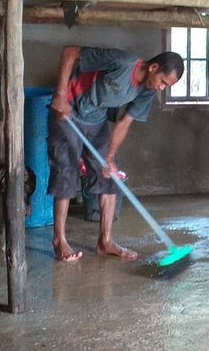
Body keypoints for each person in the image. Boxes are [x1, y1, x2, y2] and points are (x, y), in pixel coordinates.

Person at [47, 46, 184, 262]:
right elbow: (69, 52)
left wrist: (109, 158)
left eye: (166, 86)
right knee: (66, 174)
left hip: (96, 121)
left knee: (109, 178)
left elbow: (125, 121)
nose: (161, 88)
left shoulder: (147, 91)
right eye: (163, 82)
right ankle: (59, 241)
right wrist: (60, 94)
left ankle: (105, 241)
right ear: (153, 68)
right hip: (69, 112)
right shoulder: (121, 62)